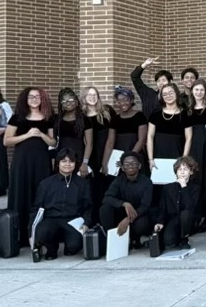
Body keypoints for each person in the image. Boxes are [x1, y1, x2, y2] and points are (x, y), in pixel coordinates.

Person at [4, 87, 56, 246]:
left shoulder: (48, 118)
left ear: (42, 99)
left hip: (41, 161)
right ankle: (20, 235)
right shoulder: (17, 118)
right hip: (22, 162)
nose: (34, 99)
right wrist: (27, 134)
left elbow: (53, 142)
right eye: (31, 96)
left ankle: (40, 234)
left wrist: (40, 134)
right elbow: (6, 141)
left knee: (40, 194)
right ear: (25, 99)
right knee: (21, 193)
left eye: (38, 96)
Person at [31, 148, 91, 260]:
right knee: (42, 233)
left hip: (72, 220)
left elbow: (89, 207)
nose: (67, 164)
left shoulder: (82, 184)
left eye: (71, 161)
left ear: (75, 164)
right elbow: (36, 209)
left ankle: (69, 247)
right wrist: (32, 232)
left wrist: (86, 223)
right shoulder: (45, 184)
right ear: (57, 163)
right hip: (51, 219)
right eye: (64, 161)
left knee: (74, 246)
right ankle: (51, 249)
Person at [101, 151, 154, 249]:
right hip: (121, 214)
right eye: (126, 164)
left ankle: (134, 239)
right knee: (105, 209)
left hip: (139, 216)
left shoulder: (147, 182)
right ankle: (113, 237)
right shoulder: (118, 181)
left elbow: (145, 206)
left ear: (139, 166)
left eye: (133, 163)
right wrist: (124, 204)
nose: (130, 165)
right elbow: (107, 198)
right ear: (122, 167)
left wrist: (127, 220)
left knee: (142, 224)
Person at [182, 78, 206, 223]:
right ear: (192, 92)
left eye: (202, 90)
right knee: (195, 179)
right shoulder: (187, 111)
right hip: (193, 145)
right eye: (196, 90)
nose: (199, 92)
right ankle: (196, 215)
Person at [81, 86, 114, 224]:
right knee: (92, 190)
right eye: (89, 94)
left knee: (106, 188)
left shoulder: (106, 113)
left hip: (105, 154)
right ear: (84, 97)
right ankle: (93, 222)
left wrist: (105, 162)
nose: (92, 97)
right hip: (89, 156)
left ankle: (107, 221)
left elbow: (111, 139)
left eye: (95, 94)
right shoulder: (80, 116)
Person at [156, 156, 203, 252]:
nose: (182, 172)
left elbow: (190, 207)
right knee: (168, 242)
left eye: (185, 169)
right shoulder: (168, 188)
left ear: (191, 172)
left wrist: (184, 187)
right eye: (179, 169)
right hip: (174, 219)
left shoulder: (195, 188)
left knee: (185, 214)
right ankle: (177, 238)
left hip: (188, 219)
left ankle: (184, 239)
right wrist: (160, 222)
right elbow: (163, 208)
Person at [102, 87, 147, 178]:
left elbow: (141, 140)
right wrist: (104, 163)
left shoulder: (140, 116)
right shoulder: (115, 119)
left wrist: (129, 158)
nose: (122, 103)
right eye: (119, 101)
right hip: (118, 156)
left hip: (135, 154)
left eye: (125, 100)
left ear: (131, 100)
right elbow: (110, 142)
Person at [147, 83, 187, 171]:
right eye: (164, 94)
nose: (168, 96)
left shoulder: (185, 114)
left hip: (177, 155)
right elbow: (150, 137)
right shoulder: (155, 114)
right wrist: (150, 159)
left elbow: (189, 138)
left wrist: (184, 159)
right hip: (158, 155)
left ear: (176, 93)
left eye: (170, 93)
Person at [53, 88, 91, 164]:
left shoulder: (85, 119)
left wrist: (85, 163)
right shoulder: (57, 119)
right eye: (64, 101)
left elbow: (89, 143)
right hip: (61, 157)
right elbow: (53, 142)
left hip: (78, 157)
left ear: (76, 102)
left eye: (70, 99)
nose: (68, 103)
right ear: (62, 105)